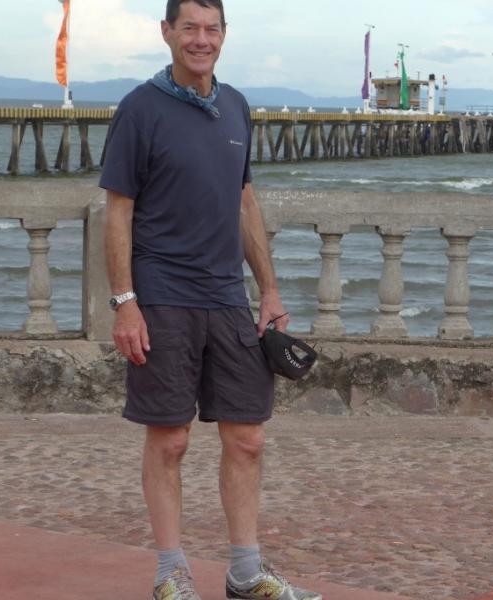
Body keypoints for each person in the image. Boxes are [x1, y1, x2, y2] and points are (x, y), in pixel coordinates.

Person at [100, 1, 321, 599]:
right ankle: (171, 573)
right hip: (163, 296)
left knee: (248, 438)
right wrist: (125, 301)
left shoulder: (236, 105)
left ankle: (245, 574)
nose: (201, 40)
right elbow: (117, 211)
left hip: (227, 297)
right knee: (169, 439)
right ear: (166, 33)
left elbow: (243, 200)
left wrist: (269, 290)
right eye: (189, 28)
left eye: (211, 29)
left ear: (224, 35)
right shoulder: (139, 110)